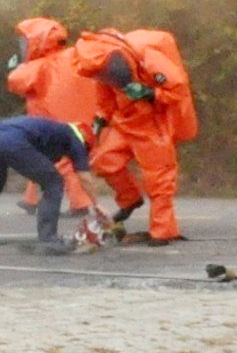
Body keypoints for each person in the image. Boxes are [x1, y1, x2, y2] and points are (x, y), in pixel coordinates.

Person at [71, 28, 196, 243]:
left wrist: (150, 93)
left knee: (159, 180)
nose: (107, 77)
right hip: (124, 123)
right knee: (104, 161)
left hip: (151, 125)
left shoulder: (147, 57)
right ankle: (130, 199)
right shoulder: (104, 68)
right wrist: (101, 118)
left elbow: (178, 88)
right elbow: (106, 98)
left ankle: (163, 232)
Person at [5, 17, 106, 222]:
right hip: (84, 124)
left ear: (38, 41)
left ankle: (80, 204)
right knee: (45, 156)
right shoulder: (74, 58)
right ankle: (31, 200)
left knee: (60, 162)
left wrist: (17, 66)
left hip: (56, 126)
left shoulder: (41, 66)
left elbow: (16, 82)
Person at [0, 115, 92, 254]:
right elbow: (85, 177)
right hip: (14, 140)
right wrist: (97, 205)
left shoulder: (56, 132)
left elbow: (42, 160)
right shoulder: (76, 140)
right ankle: (48, 240)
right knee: (53, 182)